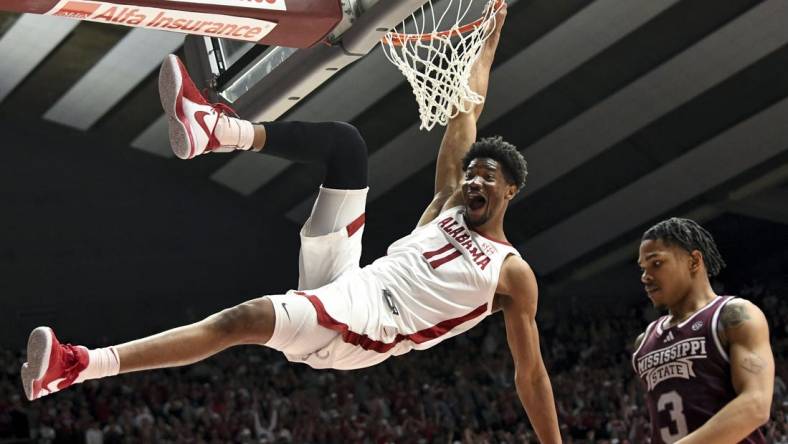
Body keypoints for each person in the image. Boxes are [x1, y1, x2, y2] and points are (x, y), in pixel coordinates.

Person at [21, 6, 561, 442]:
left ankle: (76, 365)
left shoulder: (511, 274)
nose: (473, 182)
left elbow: (531, 374)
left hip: (370, 328)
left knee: (242, 320)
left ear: (510, 190)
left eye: (487, 177)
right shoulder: (448, 204)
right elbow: (466, 106)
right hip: (351, 278)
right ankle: (216, 130)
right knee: (347, 146)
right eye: (471, 174)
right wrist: (491, 24)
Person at [632, 217, 774, 443]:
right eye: (643, 268)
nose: (645, 277)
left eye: (656, 263)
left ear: (694, 261)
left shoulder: (733, 316)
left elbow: (756, 404)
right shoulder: (644, 342)